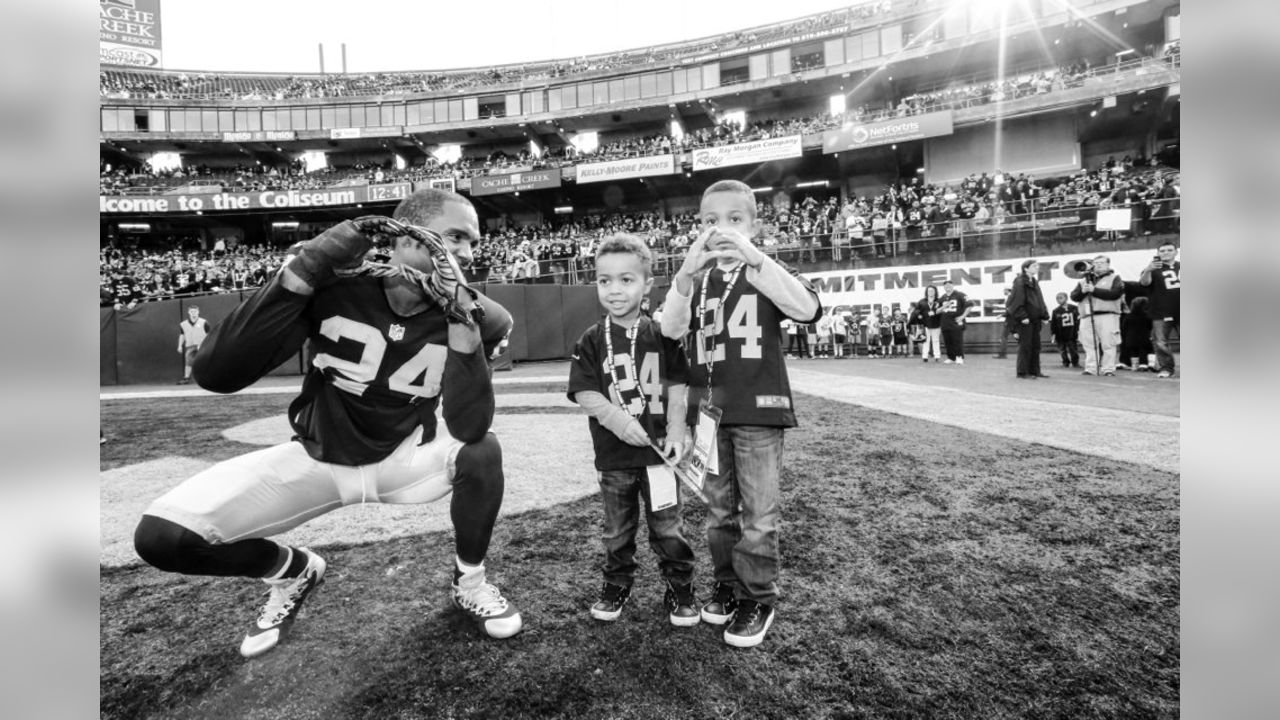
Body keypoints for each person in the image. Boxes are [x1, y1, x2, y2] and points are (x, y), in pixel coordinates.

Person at [132, 189, 523, 658]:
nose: (465, 252)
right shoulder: (337, 287)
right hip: (318, 456)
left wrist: (464, 330)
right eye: (454, 236)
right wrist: (300, 273)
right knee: (161, 538)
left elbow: (469, 425)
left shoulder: (485, 315)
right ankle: (292, 570)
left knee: (482, 452)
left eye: (473, 242)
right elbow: (218, 374)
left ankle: (470, 581)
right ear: (402, 239)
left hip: (404, 460)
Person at [660, 179, 822, 648]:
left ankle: (758, 597)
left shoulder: (766, 271)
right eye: (711, 221)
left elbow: (808, 309)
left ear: (754, 225)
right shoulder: (699, 279)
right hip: (710, 414)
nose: (722, 230)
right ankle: (728, 587)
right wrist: (685, 275)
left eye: (735, 220)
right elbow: (671, 329)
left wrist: (756, 259)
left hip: (759, 411)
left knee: (759, 515)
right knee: (718, 513)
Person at [567, 233, 698, 626]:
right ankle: (616, 584)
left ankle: (680, 586)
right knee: (616, 531)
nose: (614, 289)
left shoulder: (663, 334)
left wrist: (676, 431)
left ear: (647, 285)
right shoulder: (591, 339)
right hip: (615, 457)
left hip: (659, 455)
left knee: (668, 527)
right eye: (604, 280)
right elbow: (585, 391)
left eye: (626, 280)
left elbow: (679, 386)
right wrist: (620, 423)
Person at [1070, 254, 1125, 376]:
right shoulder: (1084, 280)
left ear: (1108, 265)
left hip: (1107, 315)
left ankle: (1108, 368)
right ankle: (1091, 367)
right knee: (1088, 343)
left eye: (1102, 262)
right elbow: (1074, 297)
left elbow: (1115, 294)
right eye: (1096, 262)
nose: (1098, 265)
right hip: (1087, 316)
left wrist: (1094, 290)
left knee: (1108, 343)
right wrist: (1083, 291)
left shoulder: (1114, 278)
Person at [1140, 242, 1180, 378]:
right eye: (1162, 251)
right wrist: (1148, 270)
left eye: (1169, 250)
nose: (1166, 253)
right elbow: (1144, 283)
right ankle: (1166, 368)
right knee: (1160, 342)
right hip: (1160, 311)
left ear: (1176, 252)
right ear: (1158, 253)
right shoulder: (1152, 268)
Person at [1005, 259, 1050, 379]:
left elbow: (1040, 300)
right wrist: (1022, 316)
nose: (1037, 268)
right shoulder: (1020, 282)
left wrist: (1044, 315)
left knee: (1036, 345)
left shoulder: (1034, 281)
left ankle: (1035, 371)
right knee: (1025, 346)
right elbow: (1016, 301)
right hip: (1025, 320)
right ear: (1026, 268)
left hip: (1035, 320)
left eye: (1038, 266)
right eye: (1034, 266)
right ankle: (1022, 372)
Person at [938, 280, 971, 364]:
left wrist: (963, 316)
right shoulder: (942, 297)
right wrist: (943, 306)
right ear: (944, 287)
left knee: (957, 340)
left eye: (949, 285)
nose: (947, 287)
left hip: (956, 322)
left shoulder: (960, 294)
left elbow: (970, 305)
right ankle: (951, 357)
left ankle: (959, 357)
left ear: (953, 285)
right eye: (945, 285)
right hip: (945, 322)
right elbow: (937, 311)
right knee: (947, 341)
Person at [176, 305, 210, 385]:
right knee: (188, 362)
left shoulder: (204, 322)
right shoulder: (183, 324)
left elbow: (209, 335)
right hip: (190, 346)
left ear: (198, 312)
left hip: (202, 346)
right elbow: (182, 335)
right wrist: (180, 345)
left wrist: (206, 345)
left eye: (195, 311)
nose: (193, 313)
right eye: (191, 311)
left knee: (204, 362)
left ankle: (207, 378)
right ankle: (186, 378)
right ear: (188, 312)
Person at [910, 285, 943, 362]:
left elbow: (942, 310)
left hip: (936, 323)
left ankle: (937, 356)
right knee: (925, 340)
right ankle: (925, 356)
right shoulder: (922, 301)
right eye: (929, 290)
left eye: (932, 290)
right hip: (925, 324)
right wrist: (919, 315)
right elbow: (916, 310)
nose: (930, 292)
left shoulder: (939, 301)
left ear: (935, 291)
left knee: (936, 340)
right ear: (926, 292)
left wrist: (936, 313)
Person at [1049, 292, 1081, 368]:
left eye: (1060, 298)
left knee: (1073, 348)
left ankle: (1075, 362)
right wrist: (1053, 333)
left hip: (1071, 332)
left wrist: (1078, 330)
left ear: (1066, 298)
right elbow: (1053, 323)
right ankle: (1065, 362)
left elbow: (1078, 320)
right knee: (1062, 350)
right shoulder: (1056, 311)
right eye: (1057, 298)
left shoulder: (1074, 308)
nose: (1058, 300)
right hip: (1060, 333)